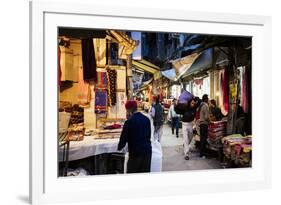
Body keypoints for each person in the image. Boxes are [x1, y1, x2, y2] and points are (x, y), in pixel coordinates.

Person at [117, 100, 152, 173]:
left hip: (136, 154)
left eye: (126, 110)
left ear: (129, 110)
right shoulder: (146, 119)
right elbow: (148, 136)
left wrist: (119, 147)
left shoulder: (129, 122)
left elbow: (123, 140)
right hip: (147, 152)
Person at [199, 94, 210, 158]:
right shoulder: (205, 105)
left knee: (202, 139)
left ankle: (202, 153)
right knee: (204, 139)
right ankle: (202, 154)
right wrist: (210, 121)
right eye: (208, 99)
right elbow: (206, 117)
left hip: (201, 124)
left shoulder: (201, 105)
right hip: (204, 124)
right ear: (206, 99)